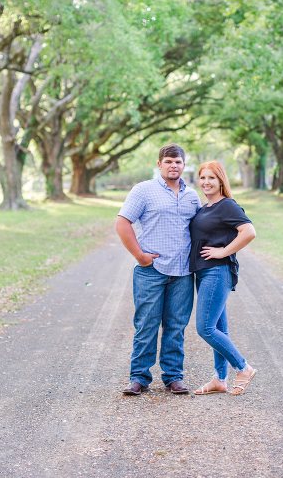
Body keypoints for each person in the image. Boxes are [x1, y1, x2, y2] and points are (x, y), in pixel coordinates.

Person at [115, 144, 201, 396]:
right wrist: (140, 256)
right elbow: (122, 223)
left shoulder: (192, 196)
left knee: (176, 326)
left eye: (178, 162)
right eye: (169, 161)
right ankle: (139, 378)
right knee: (146, 325)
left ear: (184, 165)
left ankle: (173, 377)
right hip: (151, 271)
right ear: (159, 164)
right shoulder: (143, 190)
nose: (173, 165)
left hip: (183, 273)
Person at [189, 161, 257, 396]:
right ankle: (220, 379)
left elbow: (249, 231)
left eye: (212, 178)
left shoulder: (227, 205)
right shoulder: (205, 207)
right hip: (203, 272)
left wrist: (222, 251)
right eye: (203, 178)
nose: (206, 182)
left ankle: (243, 367)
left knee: (205, 328)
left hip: (217, 272)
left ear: (221, 181)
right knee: (219, 327)